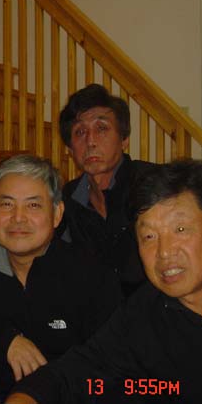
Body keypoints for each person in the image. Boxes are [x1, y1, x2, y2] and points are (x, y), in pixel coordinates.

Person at [6, 159, 202, 404]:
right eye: (149, 236)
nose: (164, 252)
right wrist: (26, 396)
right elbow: (77, 375)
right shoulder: (141, 315)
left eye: (180, 230)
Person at [0, 155, 122, 395]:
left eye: (33, 205)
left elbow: (108, 365)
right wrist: (4, 340)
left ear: (57, 214)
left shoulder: (93, 276)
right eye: (7, 204)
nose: (18, 218)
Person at [58, 83, 155, 296]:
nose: (90, 141)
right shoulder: (68, 199)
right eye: (80, 132)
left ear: (124, 140)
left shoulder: (154, 183)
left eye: (101, 128)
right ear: (70, 149)